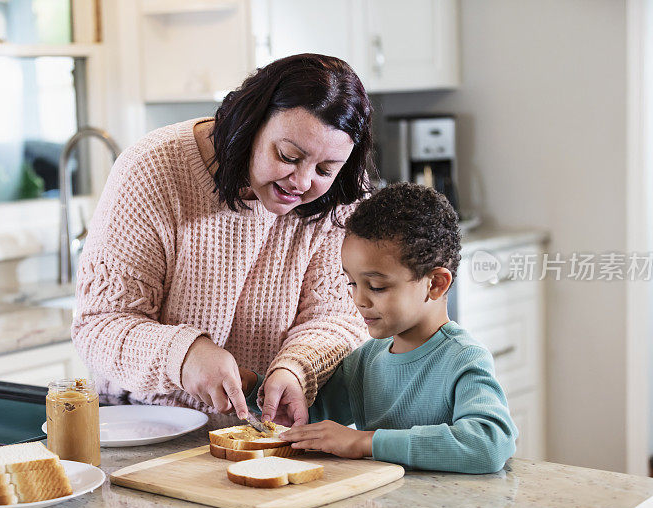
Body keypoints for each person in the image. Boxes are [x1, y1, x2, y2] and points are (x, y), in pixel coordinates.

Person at [72, 54, 373, 425]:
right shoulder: (152, 170)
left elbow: (339, 317)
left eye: (325, 169)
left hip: (264, 431)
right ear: (250, 125)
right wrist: (184, 356)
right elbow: (99, 326)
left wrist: (297, 368)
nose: (303, 182)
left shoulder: (341, 196)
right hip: (143, 426)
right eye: (288, 156)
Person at [243, 184, 518, 473]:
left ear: (436, 284)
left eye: (376, 286)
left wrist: (367, 442)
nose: (359, 300)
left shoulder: (463, 358)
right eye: (352, 283)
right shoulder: (365, 361)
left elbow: (490, 443)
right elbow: (310, 417)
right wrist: (251, 385)